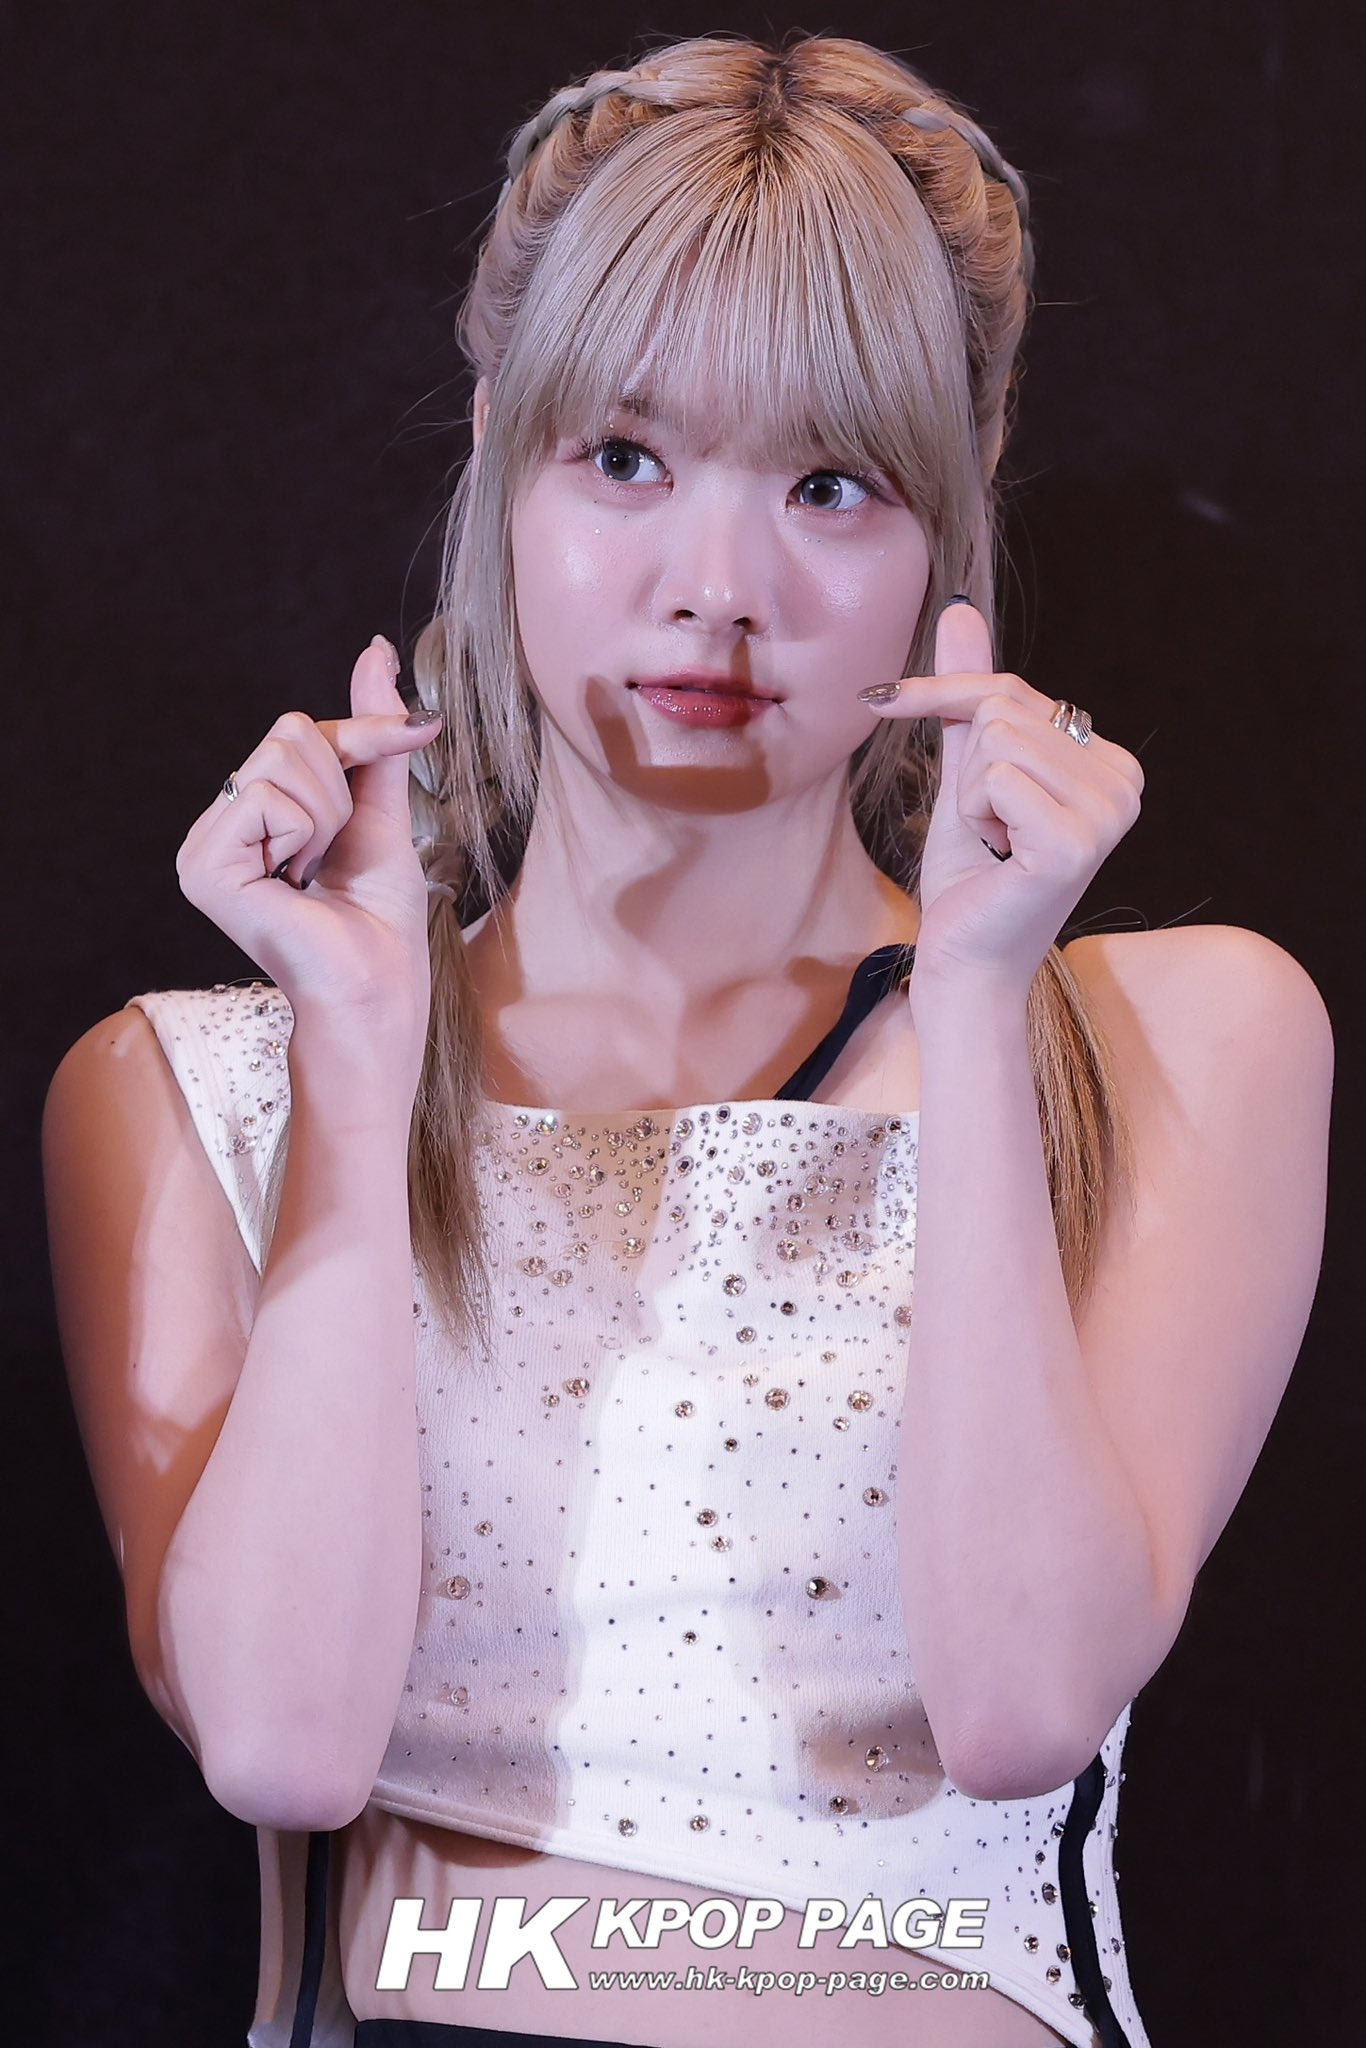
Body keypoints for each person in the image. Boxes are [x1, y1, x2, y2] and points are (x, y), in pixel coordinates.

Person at [41, 29, 1333, 2048]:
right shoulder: (198, 1083)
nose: (716, 590)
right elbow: (284, 1743)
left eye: (829, 485)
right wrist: (365, 1065)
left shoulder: (1168, 1037)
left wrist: (970, 1002)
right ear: (500, 444)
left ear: (953, 504)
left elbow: (1017, 1705)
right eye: (624, 459)